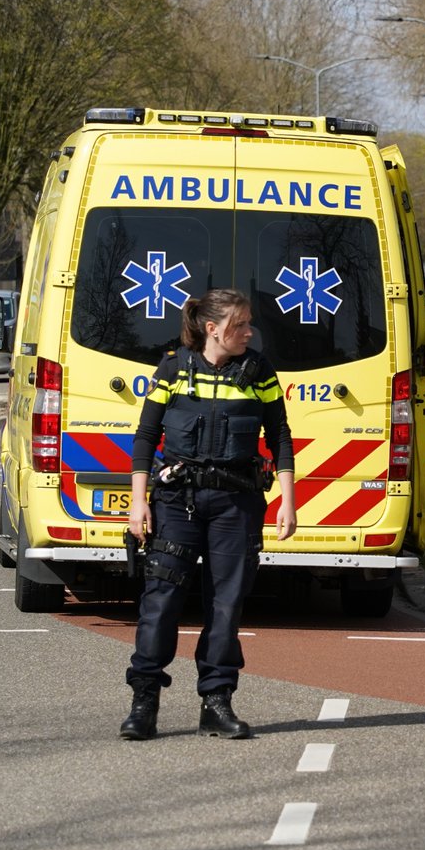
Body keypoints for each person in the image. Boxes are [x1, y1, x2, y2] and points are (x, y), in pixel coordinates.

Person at [120, 289, 298, 741]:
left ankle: (216, 703)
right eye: (240, 324)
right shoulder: (173, 369)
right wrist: (138, 502)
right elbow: (145, 437)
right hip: (177, 503)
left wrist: (288, 500)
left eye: (248, 323)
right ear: (212, 328)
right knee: (160, 601)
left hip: (235, 505)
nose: (249, 331)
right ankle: (144, 703)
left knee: (226, 605)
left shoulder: (258, 371)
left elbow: (279, 436)